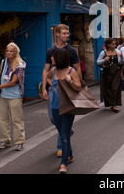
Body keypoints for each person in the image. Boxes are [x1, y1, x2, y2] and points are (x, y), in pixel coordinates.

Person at [41, 24, 81, 158]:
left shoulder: (71, 51)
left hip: (67, 89)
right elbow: (46, 70)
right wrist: (46, 87)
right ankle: (68, 131)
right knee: (53, 118)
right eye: (64, 33)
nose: (67, 35)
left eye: (67, 33)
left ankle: (61, 147)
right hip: (54, 88)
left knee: (63, 116)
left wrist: (77, 85)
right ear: (57, 34)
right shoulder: (50, 51)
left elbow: (77, 68)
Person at [45, 48, 82, 174]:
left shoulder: (71, 71)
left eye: (53, 57)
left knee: (64, 137)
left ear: (59, 58)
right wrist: (54, 87)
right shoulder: (53, 70)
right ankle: (69, 155)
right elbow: (49, 78)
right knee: (62, 134)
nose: (51, 58)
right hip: (55, 107)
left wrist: (69, 81)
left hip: (67, 108)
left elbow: (79, 87)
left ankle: (63, 163)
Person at [0, 42, 26, 151]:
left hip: (14, 95)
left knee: (17, 119)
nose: (9, 53)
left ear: (16, 52)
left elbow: (13, 82)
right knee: (2, 118)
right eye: (7, 51)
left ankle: (19, 141)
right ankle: (5, 140)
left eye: (11, 51)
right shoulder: (4, 62)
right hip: (2, 95)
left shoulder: (20, 64)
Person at [97, 38, 122, 112]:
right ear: (108, 45)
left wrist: (121, 57)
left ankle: (114, 105)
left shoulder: (117, 51)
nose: (115, 45)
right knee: (108, 89)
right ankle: (111, 104)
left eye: (115, 44)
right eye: (113, 44)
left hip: (116, 73)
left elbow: (120, 63)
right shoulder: (103, 53)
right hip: (107, 73)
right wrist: (104, 60)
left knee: (115, 88)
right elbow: (97, 62)